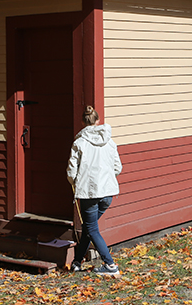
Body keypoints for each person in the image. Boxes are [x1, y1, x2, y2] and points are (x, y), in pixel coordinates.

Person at [67, 105, 122, 276]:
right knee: (88, 227)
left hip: (89, 194)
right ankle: (77, 262)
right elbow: (117, 168)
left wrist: (75, 184)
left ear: (83, 122)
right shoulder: (110, 142)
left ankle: (111, 265)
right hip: (108, 194)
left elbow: (71, 171)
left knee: (91, 229)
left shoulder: (79, 143)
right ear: (98, 121)